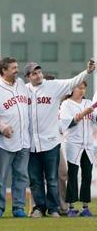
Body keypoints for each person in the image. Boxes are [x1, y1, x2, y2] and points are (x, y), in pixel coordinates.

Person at [24, 60, 95, 218]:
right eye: (34, 73)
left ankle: (54, 208)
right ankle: (38, 208)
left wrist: (87, 72)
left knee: (53, 178)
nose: (38, 75)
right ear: (28, 76)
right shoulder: (23, 90)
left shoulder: (52, 86)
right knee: (35, 179)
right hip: (31, 143)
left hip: (51, 141)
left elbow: (73, 82)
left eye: (39, 72)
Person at [0, 57, 28, 218]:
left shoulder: (21, 85)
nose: (17, 70)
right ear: (4, 70)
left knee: (21, 176)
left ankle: (19, 207)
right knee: (0, 177)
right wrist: (1, 127)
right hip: (4, 142)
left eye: (17, 67)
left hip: (24, 139)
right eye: (13, 68)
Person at [59, 81, 96, 217]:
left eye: (84, 88)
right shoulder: (66, 104)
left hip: (88, 143)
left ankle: (85, 206)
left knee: (87, 174)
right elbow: (67, 123)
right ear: (72, 89)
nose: (82, 90)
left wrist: (93, 113)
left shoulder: (88, 103)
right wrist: (83, 113)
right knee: (73, 174)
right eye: (79, 88)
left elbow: (94, 120)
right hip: (73, 143)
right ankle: (71, 206)